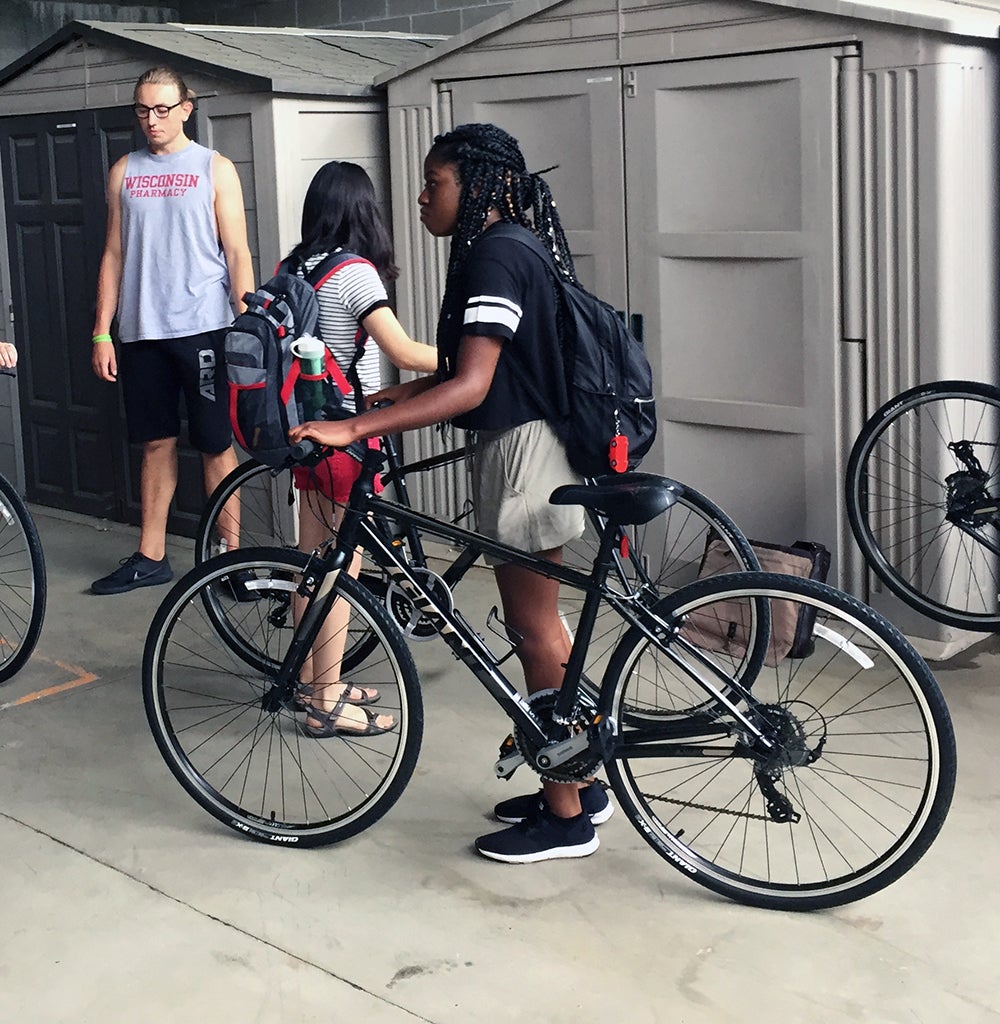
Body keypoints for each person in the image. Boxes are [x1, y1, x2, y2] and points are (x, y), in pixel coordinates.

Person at [289, 123, 613, 864]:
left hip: (525, 455)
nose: (423, 195)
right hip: (529, 446)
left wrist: (355, 428)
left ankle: (566, 818)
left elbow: (474, 384)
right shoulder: (511, 247)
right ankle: (577, 782)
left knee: (534, 632)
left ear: (478, 185)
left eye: (435, 182)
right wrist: (390, 397)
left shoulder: (497, 254)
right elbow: (465, 372)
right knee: (543, 628)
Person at [282, 161, 436, 738]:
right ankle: (327, 703)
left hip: (306, 431)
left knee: (309, 562)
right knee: (342, 568)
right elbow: (401, 350)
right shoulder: (357, 274)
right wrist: (471, 360)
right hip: (347, 433)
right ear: (363, 211)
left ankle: (308, 682)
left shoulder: (293, 265)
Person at [89, 66, 253, 595]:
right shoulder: (124, 171)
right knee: (155, 443)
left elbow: (236, 252)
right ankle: (151, 555)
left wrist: (246, 322)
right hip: (141, 333)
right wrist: (101, 331)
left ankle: (231, 561)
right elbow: (113, 253)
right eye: (142, 109)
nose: (151, 120)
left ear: (186, 107)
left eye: (161, 109)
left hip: (206, 328)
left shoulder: (215, 168)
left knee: (214, 443)